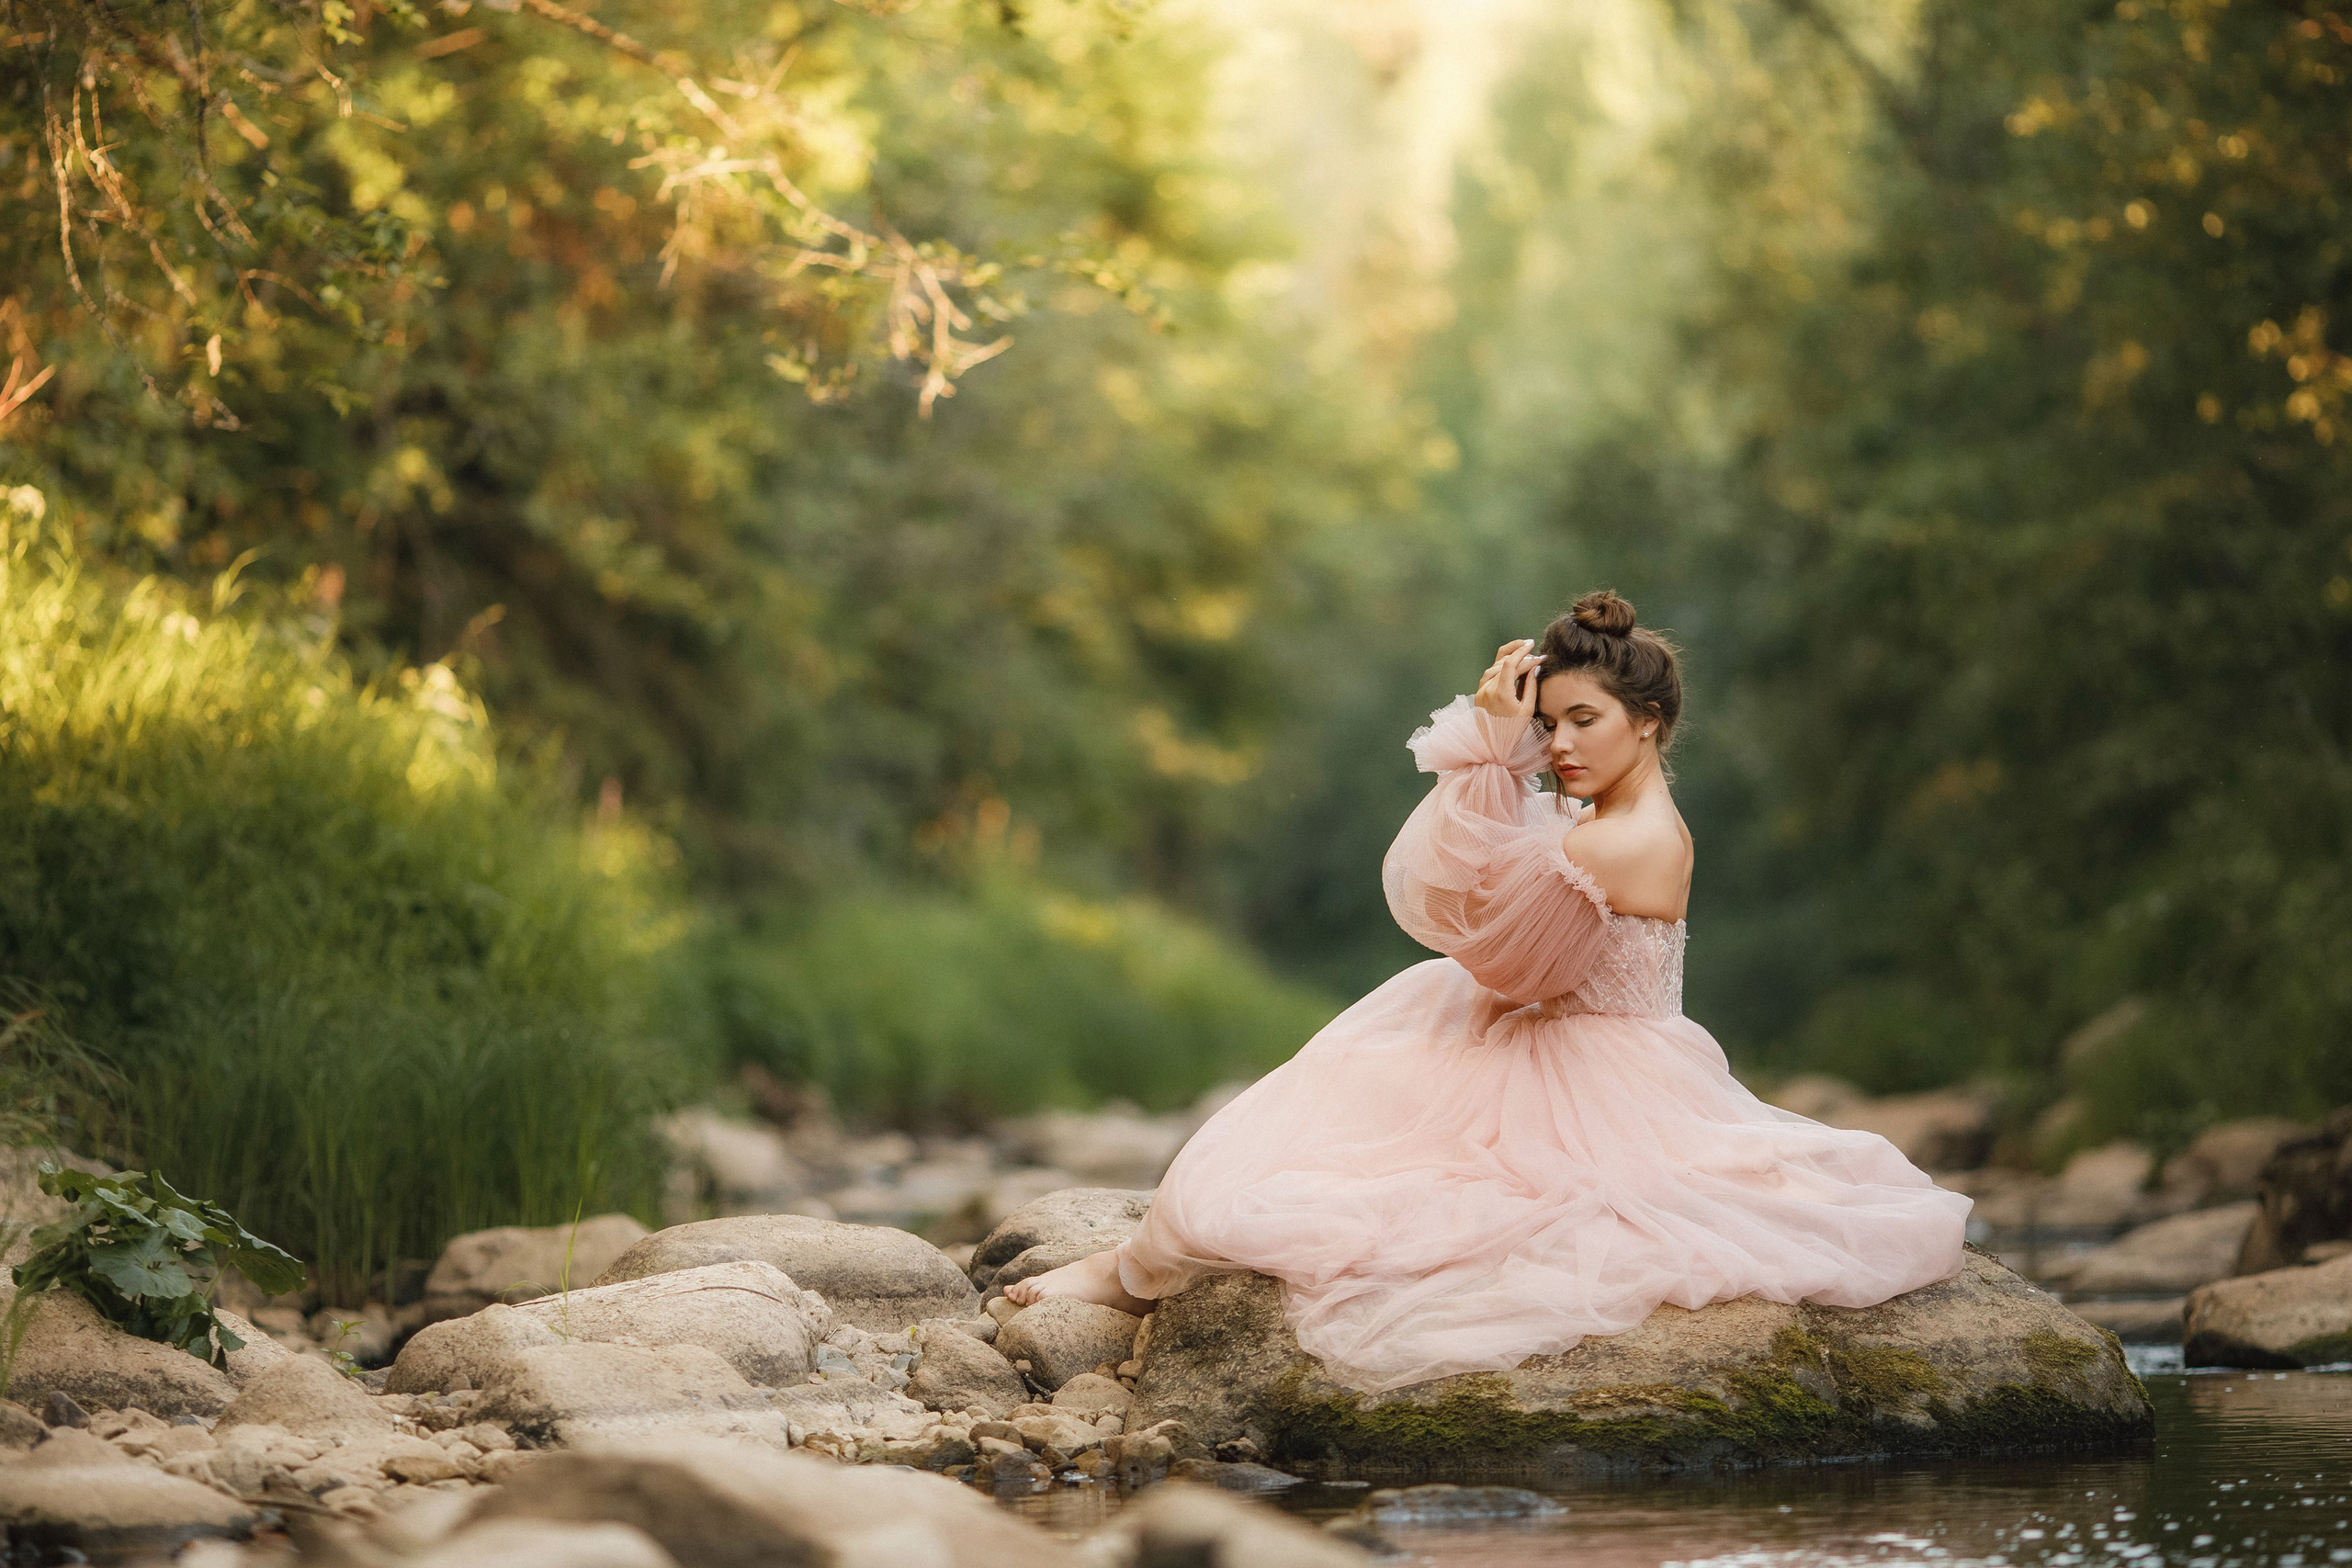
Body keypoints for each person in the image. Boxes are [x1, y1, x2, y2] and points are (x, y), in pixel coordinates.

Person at [1003, 590, 1971, 1393]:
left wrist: (1489, 751)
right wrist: (1500, 749)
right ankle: (1132, 1273)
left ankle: (1131, 1278)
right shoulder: (1594, 820)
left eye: (1582, 721)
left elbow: (1475, 935)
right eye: (1548, 724)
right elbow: (1483, 909)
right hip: (1554, 1037)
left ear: (1649, 723)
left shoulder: (1618, 841)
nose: (1558, 746)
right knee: (1338, 1110)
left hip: (1599, 1072)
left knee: (1338, 1184)